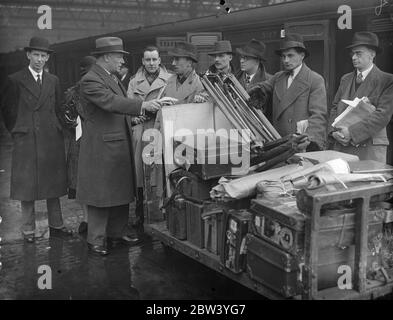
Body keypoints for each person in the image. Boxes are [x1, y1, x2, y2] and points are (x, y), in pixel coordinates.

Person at [77, 36, 165, 255]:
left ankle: (116, 233)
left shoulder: (110, 76)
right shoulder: (91, 79)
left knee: (119, 191)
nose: (121, 62)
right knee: (101, 194)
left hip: (116, 144)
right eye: (119, 57)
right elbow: (111, 102)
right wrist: (143, 105)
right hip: (103, 147)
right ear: (107, 57)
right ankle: (95, 239)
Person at [1, 36, 72, 243]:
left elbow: (59, 107)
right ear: (28, 55)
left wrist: (61, 126)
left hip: (51, 138)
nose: (40, 59)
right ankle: (28, 230)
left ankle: (57, 225)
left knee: (54, 185)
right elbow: (7, 110)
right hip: (27, 138)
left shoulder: (54, 80)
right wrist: (17, 130)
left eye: (44, 56)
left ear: (47, 58)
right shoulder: (14, 80)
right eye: (36, 55)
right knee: (27, 187)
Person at [248, 33, 328, 151]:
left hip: (299, 143)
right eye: (283, 56)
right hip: (278, 141)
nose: (286, 60)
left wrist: (310, 141)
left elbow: (318, 116)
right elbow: (261, 87)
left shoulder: (315, 79)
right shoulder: (278, 77)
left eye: (290, 56)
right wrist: (258, 93)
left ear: (302, 55)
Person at [328, 32, 393, 163]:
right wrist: (332, 132)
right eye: (352, 53)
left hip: (369, 148)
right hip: (341, 145)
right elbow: (334, 108)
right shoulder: (345, 79)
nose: (353, 57)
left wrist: (351, 132)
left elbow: (382, 116)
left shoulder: (387, 80)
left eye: (358, 53)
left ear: (372, 54)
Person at [127, 46, 172, 231]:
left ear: (160, 60)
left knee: (159, 174)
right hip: (140, 131)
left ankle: (161, 213)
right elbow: (128, 106)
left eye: (154, 59)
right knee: (140, 176)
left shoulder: (169, 80)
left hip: (159, 130)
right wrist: (137, 116)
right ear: (142, 62)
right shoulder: (133, 82)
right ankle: (140, 213)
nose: (151, 63)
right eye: (148, 60)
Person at [60, 55, 97, 235]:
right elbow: (66, 119)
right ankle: (86, 219)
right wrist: (72, 123)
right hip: (81, 141)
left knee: (90, 180)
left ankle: (91, 219)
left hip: (93, 141)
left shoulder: (100, 88)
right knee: (80, 180)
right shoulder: (73, 93)